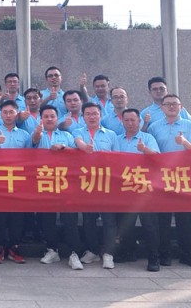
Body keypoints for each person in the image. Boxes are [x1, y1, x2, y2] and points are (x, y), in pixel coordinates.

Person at [147, 94, 191, 268]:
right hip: (161, 177)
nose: (171, 106)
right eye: (168, 104)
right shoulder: (154, 127)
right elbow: (151, 151)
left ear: (181, 107)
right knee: (163, 218)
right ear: (162, 107)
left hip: (184, 177)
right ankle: (165, 254)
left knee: (186, 217)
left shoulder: (189, 125)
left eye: (174, 104)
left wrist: (184, 142)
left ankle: (187, 254)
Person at [32, 105, 85, 270]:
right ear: (41, 119)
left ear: (57, 118)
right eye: (46, 116)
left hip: (65, 182)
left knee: (69, 219)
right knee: (47, 218)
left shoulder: (66, 135)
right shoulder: (37, 134)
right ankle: (52, 249)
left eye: (52, 116)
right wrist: (37, 134)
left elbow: (77, 155)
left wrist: (63, 147)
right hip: (45, 181)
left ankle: (74, 253)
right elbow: (33, 143)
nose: (49, 119)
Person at [73, 102, 120, 269]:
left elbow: (118, 158)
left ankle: (108, 253)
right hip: (87, 183)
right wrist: (84, 147)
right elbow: (77, 142)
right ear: (83, 116)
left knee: (109, 220)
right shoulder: (78, 132)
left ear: (100, 115)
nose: (92, 117)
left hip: (107, 183)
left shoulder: (111, 135)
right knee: (89, 219)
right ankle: (92, 250)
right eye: (88, 114)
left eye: (95, 114)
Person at [115, 108, 162, 272]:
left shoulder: (147, 138)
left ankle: (154, 257)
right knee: (125, 223)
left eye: (133, 120)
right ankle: (129, 252)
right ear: (122, 121)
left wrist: (144, 150)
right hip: (124, 186)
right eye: (126, 120)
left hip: (144, 187)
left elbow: (158, 158)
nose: (130, 123)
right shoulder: (117, 139)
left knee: (149, 224)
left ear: (139, 121)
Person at [0, 100, 31, 264]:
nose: (8, 115)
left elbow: (31, 157)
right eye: (5, 112)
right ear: (0, 114)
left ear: (16, 113)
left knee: (17, 216)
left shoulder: (24, 135)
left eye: (11, 112)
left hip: (18, 180)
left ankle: (14, 248)